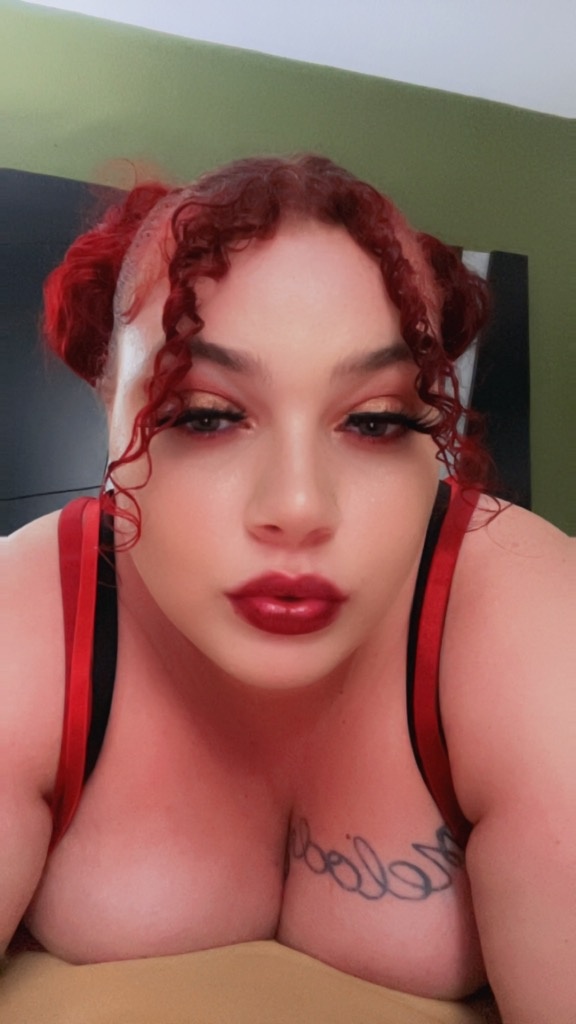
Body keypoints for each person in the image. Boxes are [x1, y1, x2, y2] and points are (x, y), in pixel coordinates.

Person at [2, 154, 574, 1024]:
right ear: (106, 402)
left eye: (376, 420)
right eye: (206, 414)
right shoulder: (28, 618)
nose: (299, 507)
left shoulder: (531, 623)